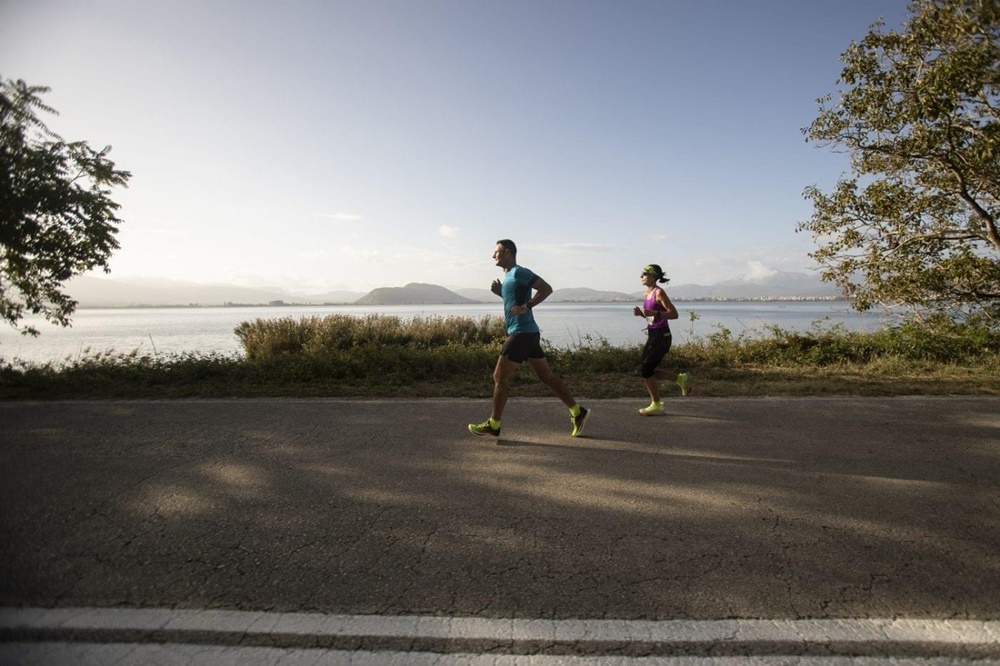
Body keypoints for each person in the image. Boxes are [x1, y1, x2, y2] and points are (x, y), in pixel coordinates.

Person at [468, 239, 590, 438]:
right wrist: (501, 294)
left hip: (521, 334)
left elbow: (546, 288)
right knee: (546, 376)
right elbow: (515, 302)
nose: (493, 256)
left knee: (499, 377)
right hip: (529, 333)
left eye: (496, 252)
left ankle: (494, 424)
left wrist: (528, 305)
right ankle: (578, 411)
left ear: (507, 252)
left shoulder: (519, 272)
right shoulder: (508, 277)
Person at [632, 263, 690, 415]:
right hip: (653, 334)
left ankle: (657, 405)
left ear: (653, 276)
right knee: (647, 370)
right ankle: (679, 379)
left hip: (663, 336)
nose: (641, 277)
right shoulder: (646, 294)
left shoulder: (659, 293)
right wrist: (642, 314)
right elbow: (652, 315)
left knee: (646, 370)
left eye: (644, 274)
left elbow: (674, 314)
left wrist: (655, 313)